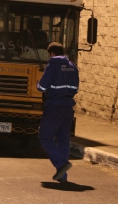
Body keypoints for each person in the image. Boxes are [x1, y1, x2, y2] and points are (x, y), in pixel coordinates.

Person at [36, 42, 79, 183]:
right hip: (68, 107)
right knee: (63, 140)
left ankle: (61, 164)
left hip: (54, 105)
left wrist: (40, 84)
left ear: (51, 54)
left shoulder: (52, 66)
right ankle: (63, 176)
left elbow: (41, 87)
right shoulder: (73, 67)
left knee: (45, 137)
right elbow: (75, 88)